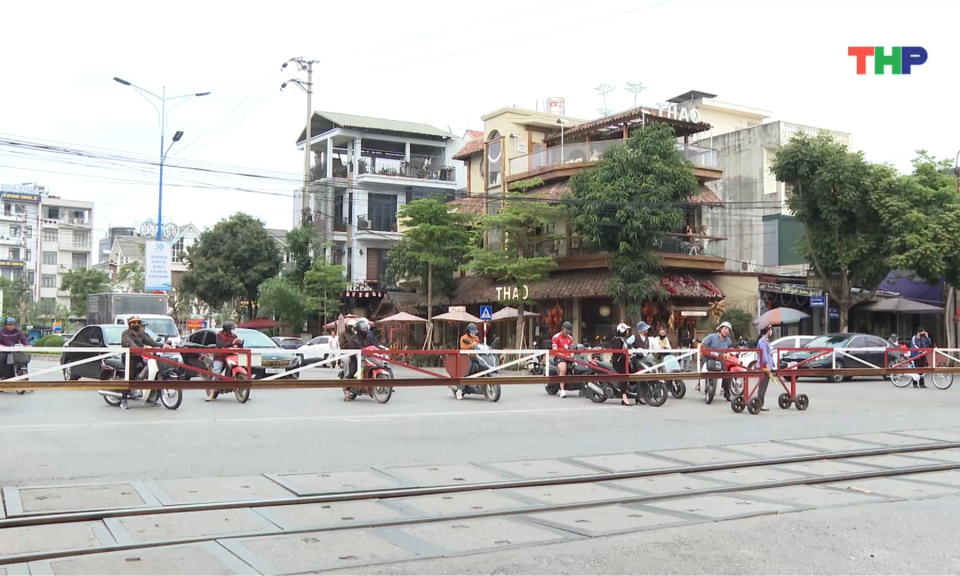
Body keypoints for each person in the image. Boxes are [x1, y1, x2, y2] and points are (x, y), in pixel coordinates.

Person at [120, 316, 168, 409]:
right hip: (129, 357)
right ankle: (124, 399)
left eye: (138, 322)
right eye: (134, 323)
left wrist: (162, 345)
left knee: (151, 372)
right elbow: (131, 344)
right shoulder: (125, 334)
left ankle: (150, 398)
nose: (136, 324)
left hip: (139, 357)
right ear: (130, 324)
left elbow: (150, 341)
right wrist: (139, 350)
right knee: (129, 376)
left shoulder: (141, 334)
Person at [207, 321, 243, 402]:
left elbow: (237, 346)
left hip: (231, 356)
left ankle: (242, 393)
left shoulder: (234, 336)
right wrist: (232, 343)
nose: (233, 330)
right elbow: (220, 345)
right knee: (217, 372)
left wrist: (240, 343)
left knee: (242, 366)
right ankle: (211, 394)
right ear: (227, 330)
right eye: (231, 329)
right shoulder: (219, 335)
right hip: (220, 357)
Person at [701, 321, 734, 401]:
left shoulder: (728, 340)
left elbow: (729, 348)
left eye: (728, 330)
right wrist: (704, 351)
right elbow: (703, 343)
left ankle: (727, 395)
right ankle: (700, 385)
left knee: (726, 375)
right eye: (725, 329)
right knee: (703, 370)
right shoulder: (711, 336)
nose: (726, 331)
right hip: (708, 357)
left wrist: (729, 353)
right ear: (720, 329)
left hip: (720, 359)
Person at [456, 323, 482, 400]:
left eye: (474, 332)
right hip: (466, 358)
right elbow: (463, 348)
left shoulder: (476, 338)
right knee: (466, 371)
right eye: (472, 332)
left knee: (483, 367)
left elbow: (479, 346)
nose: (473, 333)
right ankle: (459, 391)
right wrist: (471, 345)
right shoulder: (463, 338)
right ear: (468, 331)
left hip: (476, 357)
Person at [551, 321, 574, 398]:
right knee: (563, 369)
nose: (567, 333)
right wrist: (564, 356)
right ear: (562, 329)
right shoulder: (556, 337)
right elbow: (555, 351)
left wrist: (572, 355)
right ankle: (562, 390)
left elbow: (572, 349)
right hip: (560, 357)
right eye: (566, 331)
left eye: (569, 331)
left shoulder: (570, 338)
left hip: (569, 357)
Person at [611, 323, 632, 406]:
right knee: (624, 377)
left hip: (624, 361)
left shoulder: (623, 339)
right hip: (618, 363)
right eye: (626, 330)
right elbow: (617, 352)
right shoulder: (617, 340)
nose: (627, 332)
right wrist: (627, 354)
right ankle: (624, 396)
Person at [756, 324, 774, 411]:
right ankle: (760, 403)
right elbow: (764, 355)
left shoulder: (766, 341)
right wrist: (767, 366)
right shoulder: (762, 341)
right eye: (771, 329)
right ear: (768, 330)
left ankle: (760, 402)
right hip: (764, 367)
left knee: (763, 386)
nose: (772, 331)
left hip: (766, 366)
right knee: (762, 386)